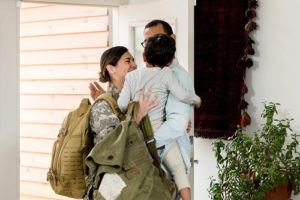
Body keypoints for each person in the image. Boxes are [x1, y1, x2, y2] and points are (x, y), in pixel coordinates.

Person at [90, 20, 195, 200]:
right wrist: (138, 118)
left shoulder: (165, 78)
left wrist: (180, 124)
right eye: (128, 60)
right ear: (111, 69)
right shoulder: (106, 104)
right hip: (132, 186)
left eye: (133, 59)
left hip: (157, 178)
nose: (135, 64)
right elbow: (110, 148)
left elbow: (175, 121)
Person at [116, 34, 201, 200]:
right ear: (170, 61)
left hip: (139, 136)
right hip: (162, 134)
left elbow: (121, 105)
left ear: (144, 56)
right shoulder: (167, 74)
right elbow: (182, 95)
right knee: (178, 170)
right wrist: (196, 99)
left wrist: (136, 105)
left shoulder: (132, 77)